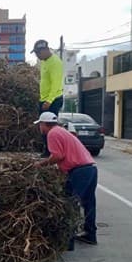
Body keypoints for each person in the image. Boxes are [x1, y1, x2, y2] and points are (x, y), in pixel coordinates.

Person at [34, 111, 98, 246]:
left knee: (70, 203)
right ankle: (90, 235)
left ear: (45, 124)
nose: (39, 128)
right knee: (88, 203)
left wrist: (40, 164)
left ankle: (68, 241)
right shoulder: (62, 131)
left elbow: (58, 156)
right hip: (90, 169)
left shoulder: (52, 133)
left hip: (80, 172)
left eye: (40, 125)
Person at [31, 39, 64, 157]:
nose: (37, 56)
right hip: (44, 99)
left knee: (49, 127)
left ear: (45, 50)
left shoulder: (55, 62)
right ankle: (46, 149)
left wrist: (49, 101)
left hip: (52, 100)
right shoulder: (44, 61)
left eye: (38, 53)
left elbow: (56, 83)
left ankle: (51, 152)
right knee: (42, 126)